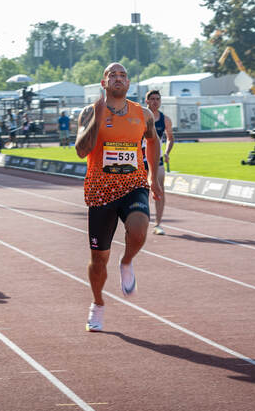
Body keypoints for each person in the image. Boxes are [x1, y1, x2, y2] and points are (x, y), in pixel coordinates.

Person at [75, 62, 163, 332]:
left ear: (128, 84)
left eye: (123, 75)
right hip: (101, 190)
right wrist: (97, 120)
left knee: (138, 229)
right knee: (99, 260)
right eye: (112, 75)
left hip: (133, 183)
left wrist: (152, 176)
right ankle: (98, 304)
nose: (118, 78)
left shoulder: (143, 113)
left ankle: (126, 261)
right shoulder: (90, 112)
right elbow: (81, 150)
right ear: (104, 83)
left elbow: (153, 140)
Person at [143, 90, 174, 235]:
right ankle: (139, 221)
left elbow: (170, 138)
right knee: (139, 192)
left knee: (159, 191)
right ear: (146, 101)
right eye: (152, 99)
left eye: (158, 99)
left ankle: (158, 224)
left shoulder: (165, 120)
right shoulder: (140, 117)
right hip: (140, 160)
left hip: (157, 159)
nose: (155, 101)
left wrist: (167, 152)